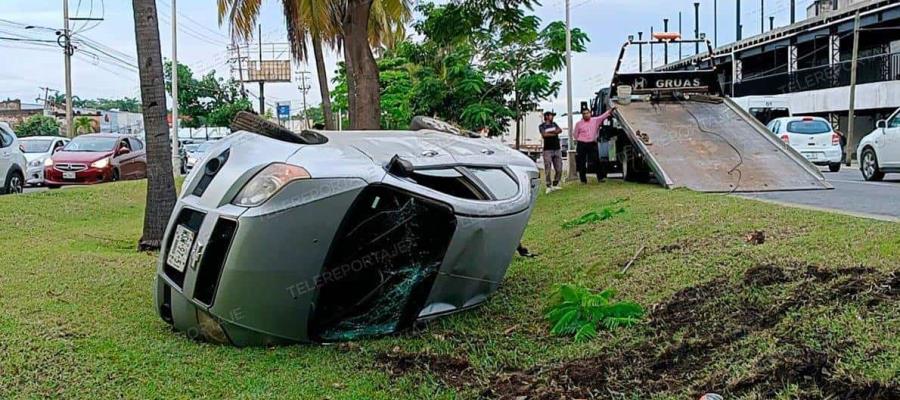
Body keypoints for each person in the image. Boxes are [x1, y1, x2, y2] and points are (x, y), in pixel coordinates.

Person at [573, 107, 615, 183]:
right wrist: (581, 139)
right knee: (581, 162)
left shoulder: (595, 120)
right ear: (582, 115)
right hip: (581, 144)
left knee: (596, 160)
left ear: (590, 114)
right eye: (584, 114)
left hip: (592, 143)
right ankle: (583, 180)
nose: (586, 115)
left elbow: (603, 116)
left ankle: (600, 178)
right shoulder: (578, 124)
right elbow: (575, 134)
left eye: (587, 113)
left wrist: (611, 110)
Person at [539, 111, 563, 193]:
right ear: (546, 116)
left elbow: (559, 130)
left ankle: (555, 183)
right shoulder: (542, 126)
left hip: (557, 148)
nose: (552, 117)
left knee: (559, 168)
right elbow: (544, 134)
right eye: (551, 115)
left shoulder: (555, 124)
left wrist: (550, 132)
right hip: (547, 150)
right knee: (548, 168)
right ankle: (548, 185)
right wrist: (553, 133)